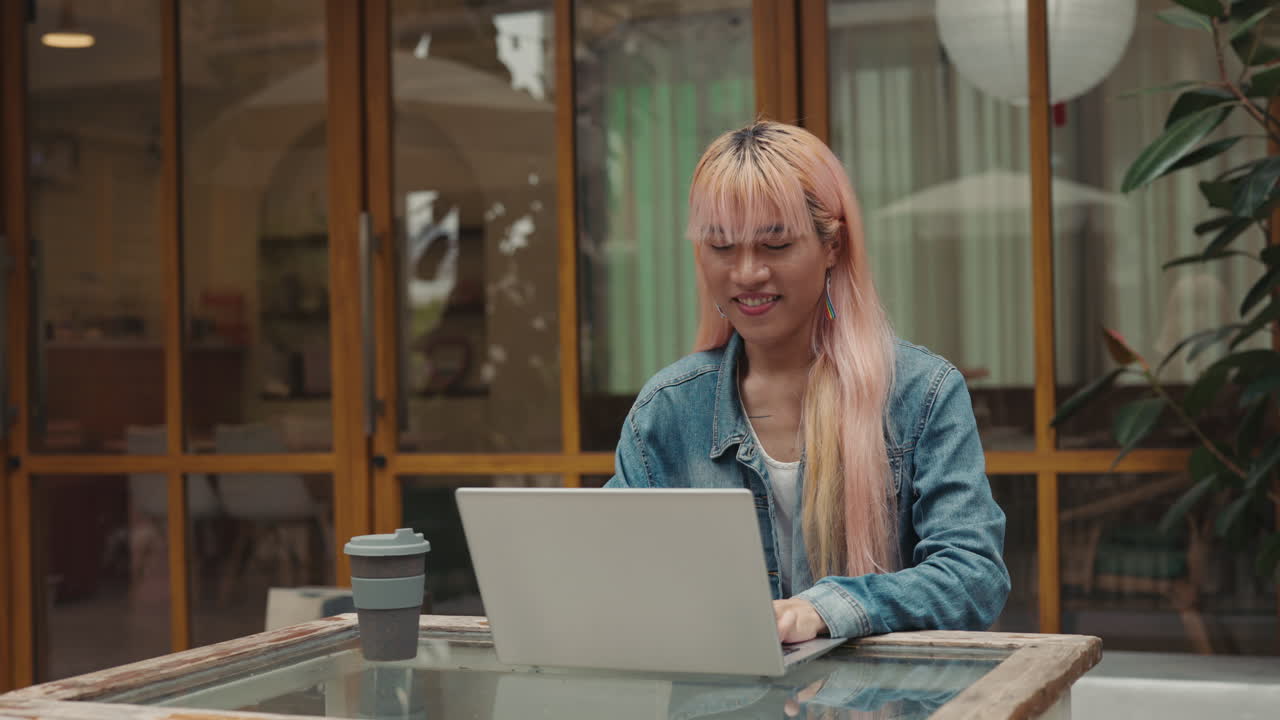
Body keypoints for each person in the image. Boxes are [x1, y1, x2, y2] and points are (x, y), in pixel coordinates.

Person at [605, 121, 1010, 643]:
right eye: (722, 246)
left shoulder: (922, 394)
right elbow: (615, 580)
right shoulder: (666, 411)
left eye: (775, 245)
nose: (747, 273)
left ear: (833, 246)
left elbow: (973, 579)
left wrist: (823, 610)